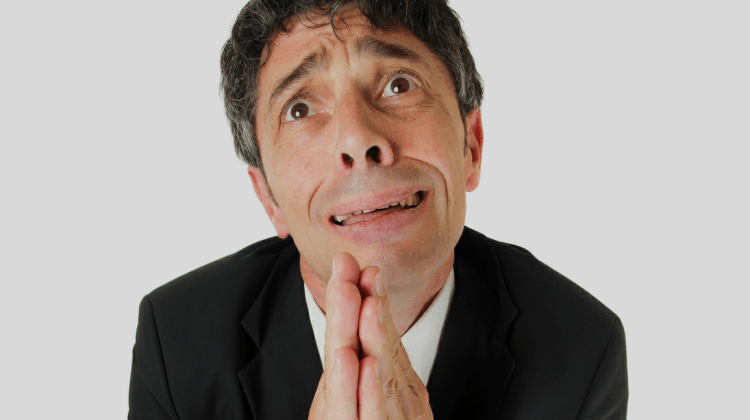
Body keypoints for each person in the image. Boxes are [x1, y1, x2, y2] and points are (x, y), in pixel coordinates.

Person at [128, 0, 628, 419]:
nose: (358, 139)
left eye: (399, 84)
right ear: (268, 198)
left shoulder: (581, 348)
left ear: (471, 147)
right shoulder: (177, 343)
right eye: (300, 108)